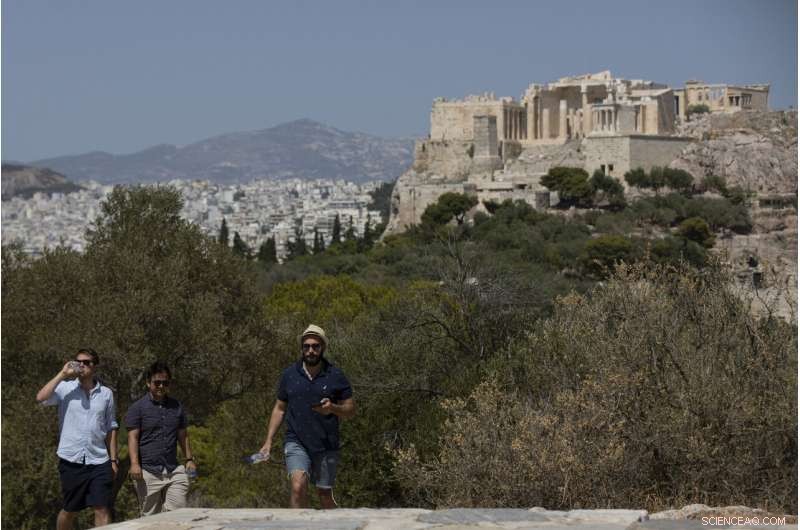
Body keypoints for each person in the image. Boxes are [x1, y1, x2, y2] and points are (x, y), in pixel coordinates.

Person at [259, 324, 355, 509]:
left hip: (326, 443)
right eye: (306, 346)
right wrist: (268, 441)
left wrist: (333, 408)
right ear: (302, 348)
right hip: (296, 440)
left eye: (315, 346)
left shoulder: (335, 375)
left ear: (323, 348)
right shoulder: (289, 374)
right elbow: (279, 408)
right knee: (297, 486)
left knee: (325, 495)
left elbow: (350, 409)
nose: (310, 350)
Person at [36, 348, 119, 529]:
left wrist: (113, 460)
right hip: (71, 459)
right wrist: (62, 374)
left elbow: (111, 427)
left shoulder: (106, 394)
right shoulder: (65, 388)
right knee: (70, 510)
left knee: (102, 508)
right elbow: (40, 397)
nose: (81, 365)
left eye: (86, 362)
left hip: (99, 460)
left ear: (94, 366)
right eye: (78, 361)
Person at [125, 361, 196, 516]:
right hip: (148, 471)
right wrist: (134, 464)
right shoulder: (137, 408)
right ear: (148, 383)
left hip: (173, 469)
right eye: (157, 382)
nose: (161, 386)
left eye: (165, 383)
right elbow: (132, 437)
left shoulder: (177, 406)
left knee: (178, 513)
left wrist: (189, 459)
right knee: (150, 518)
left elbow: (183, 435)